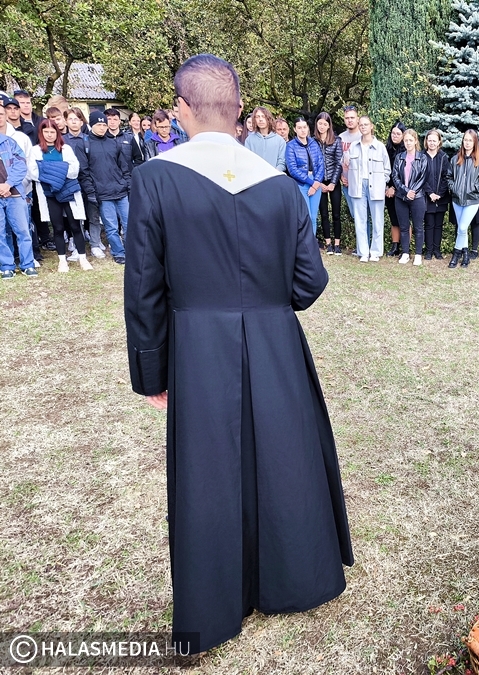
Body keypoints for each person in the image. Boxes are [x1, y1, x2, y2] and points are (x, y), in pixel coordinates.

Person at [123, 54, 353, 655]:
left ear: (182, 109)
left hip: (198, 348)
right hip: (276, 339)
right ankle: (296, 577)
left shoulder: (155, 178)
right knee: (284, 457)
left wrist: (151, 371)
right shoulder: (278, 184)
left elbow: (144, 286)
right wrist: (268, 305)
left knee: (208, 471)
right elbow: (310, 282)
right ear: (240, 109)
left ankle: (216, 604)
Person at [27, 120, 91, 272]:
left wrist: (48, 170)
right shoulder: (36, 151)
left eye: (52, 132)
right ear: (41, 133)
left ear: (57, 133)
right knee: (58, 227)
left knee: (75, 225)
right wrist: (59, 170)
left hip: (68, 191)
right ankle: (62, 260)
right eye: (46, 132)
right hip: (49, 194)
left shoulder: (66, 148)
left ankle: (83, 258)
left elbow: (74, 170)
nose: (49, 135)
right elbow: (34, 173)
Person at [343, 115, 390, 262]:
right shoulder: (353, 146)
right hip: (358, 187)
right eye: (361, 125)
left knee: (377, 220)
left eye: (366, 124)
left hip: (375, 186)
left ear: (371, 126)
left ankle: (375, 252)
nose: (363, 127)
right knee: (360, 220)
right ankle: (363, 252)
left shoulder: (380, 147)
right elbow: (345, 164)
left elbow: (387, 169)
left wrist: (381, 183)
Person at [87, 110, 130, 264]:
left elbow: (124, 167)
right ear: (92, 125)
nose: (102, 128)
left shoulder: (114, 143)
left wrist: (128, 184)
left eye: (104, 125)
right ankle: (118, 252)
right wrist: (91, 191)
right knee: (111, 226)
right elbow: (85, 171)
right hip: (103, 193)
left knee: (129, 223)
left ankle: (132, 250)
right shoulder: (86, 144)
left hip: (121, 190)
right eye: (99, 125)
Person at [0, 104, 37, 278]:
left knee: (23, 230)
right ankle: (6, 266)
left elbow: (21, 165)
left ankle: (27, 264)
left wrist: (8, 184)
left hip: (15, 193)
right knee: (0, 233)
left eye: (1, 114)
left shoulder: (10, 142)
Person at [64, 108, 105, 259]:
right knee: (76, 217)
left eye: (77, 119)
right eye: (71, 119)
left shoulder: (89, 139)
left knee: (93, 215)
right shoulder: (62, 141)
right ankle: (77, 245)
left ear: (82, 122)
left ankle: (95, 243)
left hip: (91, 182)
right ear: (66, 121)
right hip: (71, 183)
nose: (74, 122)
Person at [447, 129, 479, 268]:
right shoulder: (455, 159)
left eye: (470, 140)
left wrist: (474, 188)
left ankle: (456, 254)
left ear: (475, 142)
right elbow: (449, 177)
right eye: (465, 140)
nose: (467, 143)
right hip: (457, 199)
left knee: (462, 226)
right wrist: (454, 188)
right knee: (462, 228)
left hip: (472, 200)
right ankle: (465, 255)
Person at [391, 129, 428, 265]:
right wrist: (406, 191)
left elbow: (423, 177)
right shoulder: (399, 157)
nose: (408, 143)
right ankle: (405, 253)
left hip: (417, 197)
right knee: (404, 227)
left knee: (418, 227)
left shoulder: (422, 158)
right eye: (406, 140)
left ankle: (418, 254)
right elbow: (395, 176)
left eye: (410, 140)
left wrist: (412, 191)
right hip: (401, 197)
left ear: (415, 141)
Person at [285, 117, 325, 225]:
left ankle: (313, 236)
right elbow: (292, 169)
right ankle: (305, 237)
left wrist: (316, 182)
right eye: (299, 128)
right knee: (306, 216)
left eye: (304, 127)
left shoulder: (314, 143)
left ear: (308, 128)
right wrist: (311, 183)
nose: (302, 130)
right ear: (295, 129)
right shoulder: (290, 146)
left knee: (314, 217)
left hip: (316, 181)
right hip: (302, 184)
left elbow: (321, 164)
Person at [314, 112, 344, 255]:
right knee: (324, 213)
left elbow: (339, 163)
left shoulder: (336, 140)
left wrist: (333, 182)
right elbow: (312, 163)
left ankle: (337, 243)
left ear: (329, 125)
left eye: (325, 124)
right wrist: (318, 182)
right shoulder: (312, 141)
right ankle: (328, 243)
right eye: (320, 123)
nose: (322, 126)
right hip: (319, 182)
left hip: (334, 181)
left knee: (336, 214)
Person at [422, 129, 450, 260]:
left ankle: (437, 250)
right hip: (426, 197)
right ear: (426, 141)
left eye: (434, 140)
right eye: (430, 140)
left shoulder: (443, 157)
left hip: (441, 198)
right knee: (429, 224)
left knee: (438, 225)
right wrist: (430, 193)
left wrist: (439, 194)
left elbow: (447, 176)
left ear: (439, 142)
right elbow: (421, 177)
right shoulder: (421, 156)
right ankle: (428, 251)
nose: (432, 143)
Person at [338, 105, 363, 253]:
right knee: (355, 215)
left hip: (359, 184)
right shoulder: (341, 138)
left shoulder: (363, 136)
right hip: (346, 184)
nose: (350, 120)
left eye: (352, 117)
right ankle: (360, 246)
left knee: (362, 215)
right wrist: (341, 176)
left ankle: (363, 247)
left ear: (357, 118)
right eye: (347, 118)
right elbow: (337, 160)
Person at [385, 122, 406, 257]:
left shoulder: (405, 151)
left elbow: (403, 173)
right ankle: (395, 246)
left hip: (401, 190)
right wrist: (386, 187)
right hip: (387, 190)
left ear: (403, 135)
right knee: (393, 219)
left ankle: (405, 247)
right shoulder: (386, 149)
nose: (395, 136)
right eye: (393, 133)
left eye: (398, 134)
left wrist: (393, 187)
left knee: (403, 220)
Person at [244, 107, 286, 171]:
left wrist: (274, 173)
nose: (260, 119)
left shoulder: (280, 141)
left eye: (263, 116)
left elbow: (282, 163)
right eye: (257, 117)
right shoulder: (249, 140)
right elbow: (247, 161)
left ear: (268, 118)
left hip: (274, 175)